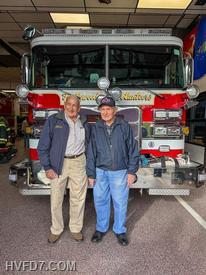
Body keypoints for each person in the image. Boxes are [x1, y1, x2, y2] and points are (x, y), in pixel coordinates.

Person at [86, 96, 139, 246]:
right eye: (102, 109)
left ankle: (119, 230)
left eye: (108, 109)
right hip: (100, 171)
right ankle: (101, 229)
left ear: (114, 110)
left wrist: (131, 171)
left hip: (119, 171)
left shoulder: (124, 126)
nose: (105, 112)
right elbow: (91, 151)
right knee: (100, 201)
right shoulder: (96, 127)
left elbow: (133, 149)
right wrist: (91, 173)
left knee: (120, 202)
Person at [37, 95, 89, 243]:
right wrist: (47, 167)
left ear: (79, 108)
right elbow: (43, 147)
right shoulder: (54, 121)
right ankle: (56, 229)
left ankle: (75, 228)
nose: (71, 108)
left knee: (78, 198)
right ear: (64, 105)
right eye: (69, 104)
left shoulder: (84, 122)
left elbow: (89, 145)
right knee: (56, 198)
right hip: (58, 164)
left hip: (79, 162)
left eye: (75, 105)